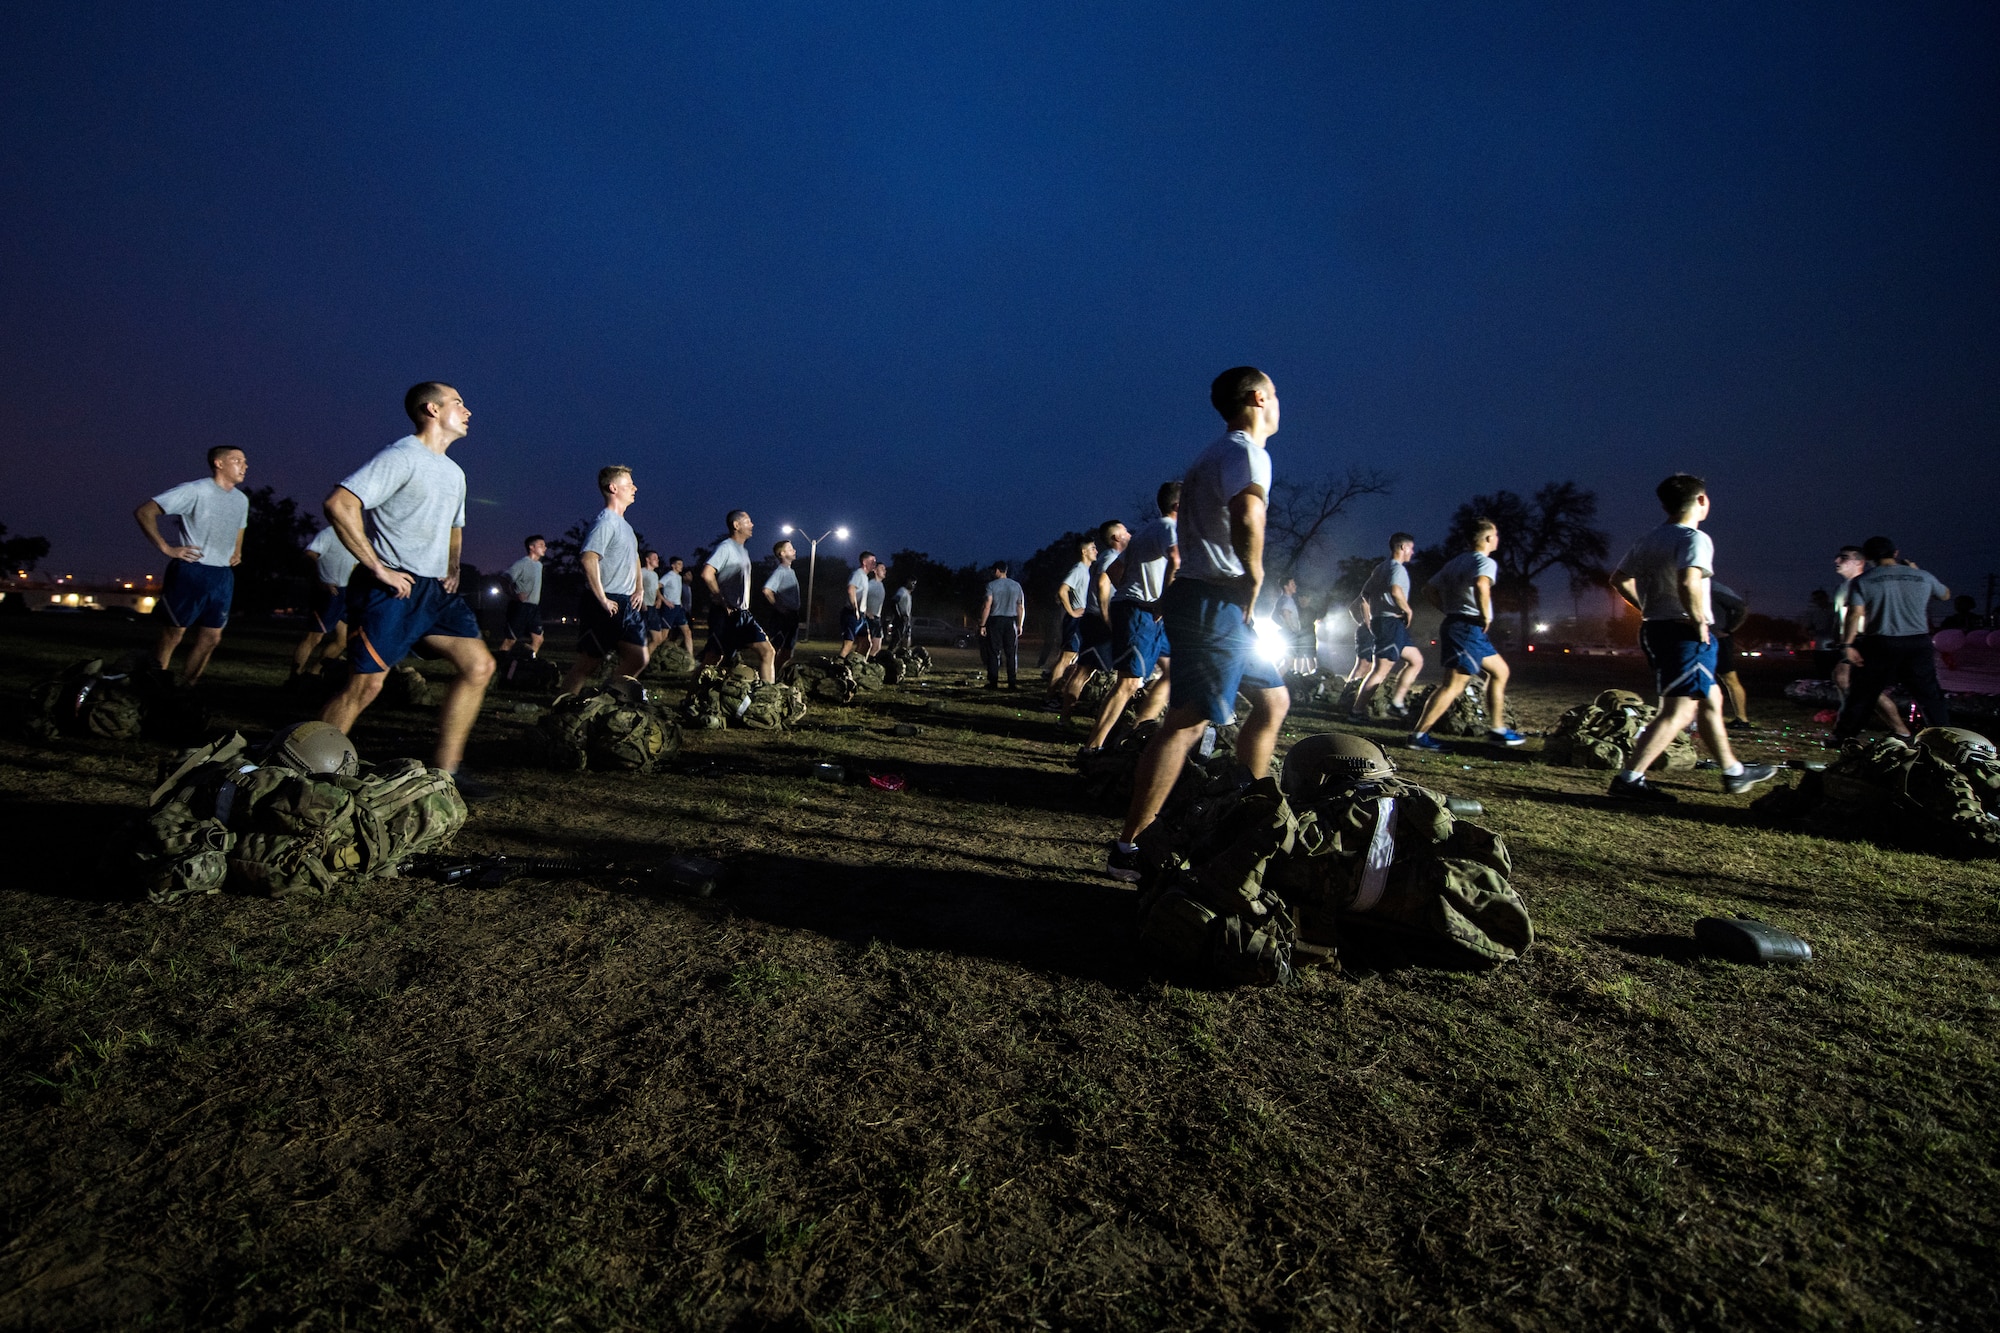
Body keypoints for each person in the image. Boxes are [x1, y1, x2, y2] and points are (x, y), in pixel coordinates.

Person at [1107, 367, 1290, 881]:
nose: (1280, 403)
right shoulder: (1243, 451)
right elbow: (1248, 514)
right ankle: (1130, 848)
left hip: (1215, 600)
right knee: (1187, 722)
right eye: (1275, 394)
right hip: (1215, 599)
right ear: (1257, 398)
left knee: (1274, 700)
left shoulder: (1220, 453)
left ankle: (1246, 815)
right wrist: (1253, 574)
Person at [320, 382, 496, 779]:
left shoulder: (454, 472)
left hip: (435, 592)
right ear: (432, 410)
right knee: (365, 687)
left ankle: (447, 771)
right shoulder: (401, 456)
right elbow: (340, 503)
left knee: (479, 666)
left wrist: (453, 567)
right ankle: (307, 771)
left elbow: (455, 526)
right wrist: (378, 568)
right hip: (391, 590)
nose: (468, 410)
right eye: (459, 403)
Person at [1605, 473, 1776, 802]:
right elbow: (1688, 581)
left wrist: (1647, 607)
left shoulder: (1650, 539)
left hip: (1657, 628)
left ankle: (1733, 772)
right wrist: (1698, 619)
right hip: (1684, 631)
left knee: (1711, 699)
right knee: (1679, 713)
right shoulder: (1694, 538)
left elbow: (1619, 579)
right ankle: (1629, 780)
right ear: (1701, 500)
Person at [133, 445, 249, 686]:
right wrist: (167, 548)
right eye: (237, 460)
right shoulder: (194, 490)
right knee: (174, 633)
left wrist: (237, 549)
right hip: (192, 571)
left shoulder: (241, 499)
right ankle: (152, 686)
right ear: (219, 463)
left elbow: (240, 527)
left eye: (245, 461)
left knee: (212, 637)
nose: (244, 466)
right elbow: (145, 512)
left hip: (222, 576)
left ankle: (186, 689)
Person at [1408, 520, 1525, 750]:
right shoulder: (1484, 562)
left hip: (1462, 626)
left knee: (1500, 671)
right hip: (1466, 628)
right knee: (1453, 685)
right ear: (1488, 539)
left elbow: (1428, 589)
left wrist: (1448, 611)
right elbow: (1481, 584)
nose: (1498, 539)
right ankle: (1418, 737)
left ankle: (1498, 730)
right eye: (1496, 534)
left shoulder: (1456, 562)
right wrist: (1486, 616)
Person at [1082, 483, 1179, 752]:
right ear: (1178, 506)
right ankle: (1091, 748)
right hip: (1140, 611)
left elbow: (1116, 568)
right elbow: (1176, 558)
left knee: (1175, 671)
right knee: (1129, 682)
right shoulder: (1169, 528)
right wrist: (1161, 599)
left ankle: (1139, 732)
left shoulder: (1145, 531)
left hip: (1146, 611)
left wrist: (1131, 586)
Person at [1833, 536, 1953, 741]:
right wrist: (1915, 572)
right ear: (1895, 553)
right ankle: (1944, 737)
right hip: (1918, 641)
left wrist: (1847, 644)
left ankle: (1844, 736)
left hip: (1881, 642)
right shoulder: (1922, 576)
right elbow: (1945, 595)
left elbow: (1855, 614)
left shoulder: (1863, 581)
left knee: (1863, 693)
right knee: (1929, 695)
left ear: (1868, 557)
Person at [559, 468, 648, 696]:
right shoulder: (605, 521)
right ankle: (562, 708)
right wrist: (602, 599)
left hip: (627, 604)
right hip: (605, 603)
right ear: (613, 488)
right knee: (589, 663)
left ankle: (607, 697)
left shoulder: (626, 526)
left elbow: (635, 558)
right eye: (630, 483)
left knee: (639, 658)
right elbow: (589, 558)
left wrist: (639, 588)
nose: (635, 488)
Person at [1054, 521, 1129, 717]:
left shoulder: (1110, 557)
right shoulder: (1110, 557)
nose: (1129, 534)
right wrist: (1107, 617)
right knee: (1085, 670)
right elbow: (1104, 582)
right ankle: (1068, 716)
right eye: (1125, 531)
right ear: (1116, 537)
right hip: (1099, 622)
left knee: (1087, 671)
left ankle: (1067, 717)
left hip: (1096, 620)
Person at [1351, 533, 1423, 720]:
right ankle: (1356, 712)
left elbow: (1364, 595)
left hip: (1388, 623)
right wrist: (1407, 610)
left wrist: (1372, 617)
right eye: (1411, 548)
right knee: (1379, 670)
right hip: (1389, 622)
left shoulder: (1380, 568)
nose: (1413, 552)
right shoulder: (1396, 568)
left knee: (1416, 660)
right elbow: (1395, 590)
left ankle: (1397, 703)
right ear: (1401, 548)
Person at [1830, 544, 1901, 732]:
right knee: (1847, 682)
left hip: (1865, 642)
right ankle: (1855, 722)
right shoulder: (1842, 588)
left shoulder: (1867, 583)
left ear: (1859, 562)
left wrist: (1855, 642)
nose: (1837, 561)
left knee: (1849, 680)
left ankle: (1899, 730)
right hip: (1850, 644)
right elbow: (1841, 618)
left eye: (1843, 557)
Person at [701, 510, 776, 683]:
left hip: (743, 614)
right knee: (713, 659)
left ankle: (767, 697)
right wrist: (720, 598)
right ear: (736, 525)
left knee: (768, 651)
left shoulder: (743, 551)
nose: (752, 524)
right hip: (724, 615)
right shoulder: (725, 547)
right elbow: (707, 573)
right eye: (748, 521)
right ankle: (690, 701)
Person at [291, 523, 357, 679]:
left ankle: (313, 674)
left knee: (343, 640)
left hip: (346, 593)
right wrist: (320, 580)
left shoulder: (356, 536)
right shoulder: (329, 533)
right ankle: (294, 677)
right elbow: (310, 554)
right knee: (314, 637)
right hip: (329, 593)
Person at [1047, 536, 1098, 694]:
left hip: (1083, 620)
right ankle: (1050, 697)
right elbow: (1062, 590)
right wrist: (1072, 612)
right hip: (1075, 621)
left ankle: (1060, 692)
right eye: (1093, 548)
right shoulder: (1078, 569)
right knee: (1066, 658)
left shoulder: (1086, 571)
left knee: (1075, 659)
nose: (1096, 551)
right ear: (1084, 551)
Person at [1711, 581, 1753, 729]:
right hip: (1698, 637)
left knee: (1729, 678)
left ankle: (1742, 719)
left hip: (1719, 638)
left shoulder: (1715, 588)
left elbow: (1742, 608)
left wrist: (1729, 629)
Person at [979, 561, 1027, 688]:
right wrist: (1020, 624)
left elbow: (987, 605)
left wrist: (982, 624)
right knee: (1011, 653)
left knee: (994, 652)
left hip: (995, 620)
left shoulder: (991, 586)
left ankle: (993, 681)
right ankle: (1012, 682)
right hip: (1011, 621)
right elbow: (1020, 606)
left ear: (997, 571)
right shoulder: (1016, 586)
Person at [497, 534, 546, 657]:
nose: (545, 548)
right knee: (510, 640)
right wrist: (513, 595)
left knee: (538, 639)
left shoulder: (539, 565)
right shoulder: (522, 563)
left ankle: (529, 661)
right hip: (520, 607)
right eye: (541, 545)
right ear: (531, 547)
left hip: (534, 608)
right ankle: (501, 666)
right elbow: (504, 579)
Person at [762, 537, 802, 668]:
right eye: (790, 549)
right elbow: (767, 590)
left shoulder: (791, 571)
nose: (794, 550)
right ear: (782, 554)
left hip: (792, 615)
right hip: (783, 617)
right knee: (775, 648)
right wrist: (779, 608)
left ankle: (777, 675)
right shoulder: (780, 572)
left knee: (788, 651)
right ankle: (768, 677)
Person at [840, 551, 878, 659]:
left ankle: (857, 665)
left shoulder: (865, 577)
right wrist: (855, 608)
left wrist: (865, 611)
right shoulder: (858, 574)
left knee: (866, 643)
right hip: (851, 614)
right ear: (864, 562)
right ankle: (839, 666)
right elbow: (851, 589)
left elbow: (861, 596)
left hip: (861, 615)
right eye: (872, 561)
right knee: (848, 644)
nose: (874, 564)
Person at [660, 556, 695, 657]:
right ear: (673, 565)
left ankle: (690, 658)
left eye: (682, 564)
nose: (681, 566)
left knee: (687, 632)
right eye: (679, 564)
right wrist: (664, 601)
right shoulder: (668, 576)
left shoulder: (679, 577)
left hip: (679, 608)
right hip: (669, 608)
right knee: (664, 635)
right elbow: (657, 586)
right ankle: (657, 656)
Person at [1805, 588, 1840, 677]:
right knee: (1822, 671)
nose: (1818, 601)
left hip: (1833, 646)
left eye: (1820, 598)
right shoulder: (1814, 612)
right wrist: (1810, 632)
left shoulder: (1835, 610)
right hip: (1819, 646)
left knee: (1834, 672)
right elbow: (1809, 627)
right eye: (1815, 599)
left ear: (1826, 598)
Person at [864, 565, 887, 656]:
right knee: (868, 645)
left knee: (877, 647)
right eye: (882, 569)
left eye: (885, 569)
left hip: (877, 618)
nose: (884, 571)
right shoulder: (870, 584)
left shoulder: (881, 585)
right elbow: (860, 598)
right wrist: (867, 613)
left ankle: (868, 664)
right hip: (870, 619)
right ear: (875, 570)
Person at [891, 580, 915, 650]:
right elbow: (894, 601)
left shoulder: (908, 594)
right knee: (897, 639)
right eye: (912, 583)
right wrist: (898, 615)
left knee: (905, 640)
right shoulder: (902, 591)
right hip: (902, 618)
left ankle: (901, 655)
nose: (913, 585)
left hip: (906, 619)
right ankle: (889, 654)